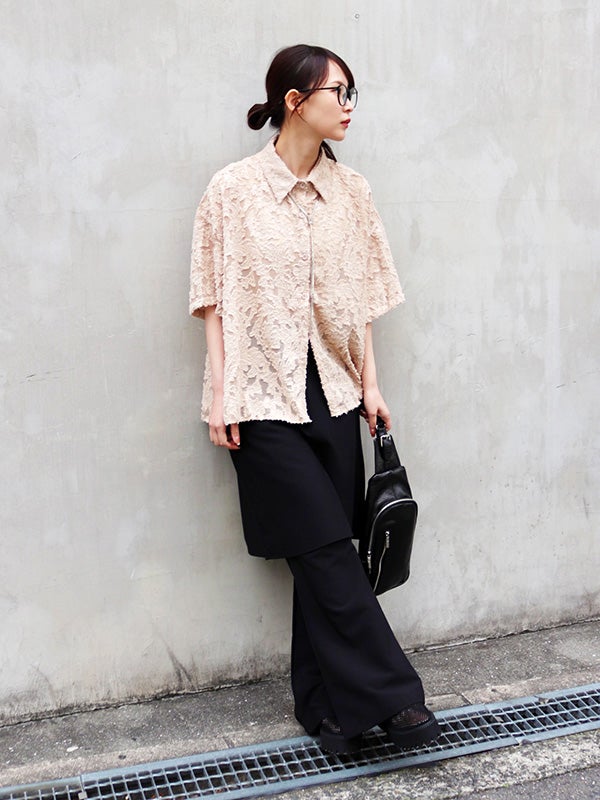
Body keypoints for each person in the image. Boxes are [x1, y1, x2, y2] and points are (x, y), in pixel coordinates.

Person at [189, 44, 440, 754]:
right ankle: (394, 696)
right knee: (326, 548)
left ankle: (324, 709)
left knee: (321, 549)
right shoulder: (232, 191)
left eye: (353, 92)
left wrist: (371, 385)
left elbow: (364, 302)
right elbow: (212, 302)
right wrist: (219, 394)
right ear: (295, 102)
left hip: (333, 391)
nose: (350, 105)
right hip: (259, 396)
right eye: (339, 92)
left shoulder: (353, 193)